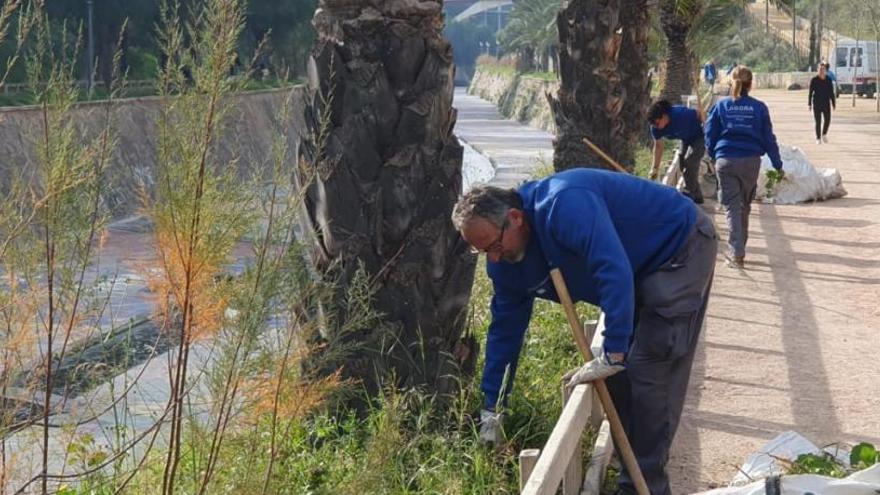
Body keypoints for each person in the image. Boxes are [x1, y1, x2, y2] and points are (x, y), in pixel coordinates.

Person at [452, 169, 717, 495]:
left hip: (678, 248)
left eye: (493, 243)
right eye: (482, 251)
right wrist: (493, 409)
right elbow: (504, 334)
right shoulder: (505, 264)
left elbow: (612, 267)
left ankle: (645, 488)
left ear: (516, 217)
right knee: (616, 377)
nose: (493, 256)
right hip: (635, 269)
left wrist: (614, 350)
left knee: (650, 368)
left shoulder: (564, 203)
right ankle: (629, 475)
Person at [705, 65, 783, 269]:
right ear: (751, 84)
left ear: (732, 82)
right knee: (744, 206)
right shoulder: (759, 108)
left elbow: (710, 133)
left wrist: (713, 154)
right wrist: (777, 164)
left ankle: (736, 252)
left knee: (731, 206)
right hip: (751, 162)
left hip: (726, 160)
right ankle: (739, 248)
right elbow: (769, 138)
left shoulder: (721, 106)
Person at [648, 99, 706, 204]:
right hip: (685, 139)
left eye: (656, 123)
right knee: (683, 164)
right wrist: (655, 168)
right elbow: (659, 147)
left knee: (691, 163)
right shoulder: (655, 129)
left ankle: (689, 194)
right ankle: (698, 196)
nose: (655, 126)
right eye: (653, 124)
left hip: (699, 137)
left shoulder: (682, 114)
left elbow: (700, 113)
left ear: (664, 116)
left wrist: (706, 124)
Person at [809, 64, 837, 144]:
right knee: (818, 122)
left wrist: (833, 103)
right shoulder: (814, 80)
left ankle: (824, 134)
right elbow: (810, 92)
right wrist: (809, 104)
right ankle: (818, 138)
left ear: (825, 70)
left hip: (826, 103)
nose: (822, 70)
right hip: (817, 103)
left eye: (823, 69)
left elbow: (831, 92)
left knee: (827, 120)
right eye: (820, 69)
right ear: (818, 70)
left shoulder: (828, 80)